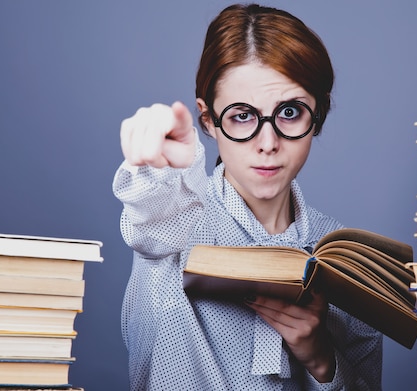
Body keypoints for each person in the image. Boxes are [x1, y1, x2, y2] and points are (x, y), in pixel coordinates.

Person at [113, 3, 382, 390]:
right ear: (209, 121)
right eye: (242, 116)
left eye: (290, 112)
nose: (268, 143)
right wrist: (158, 169)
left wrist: (323, 360)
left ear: (317, 115)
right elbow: (152, 226)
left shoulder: (343, 255)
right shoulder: (176, 215)